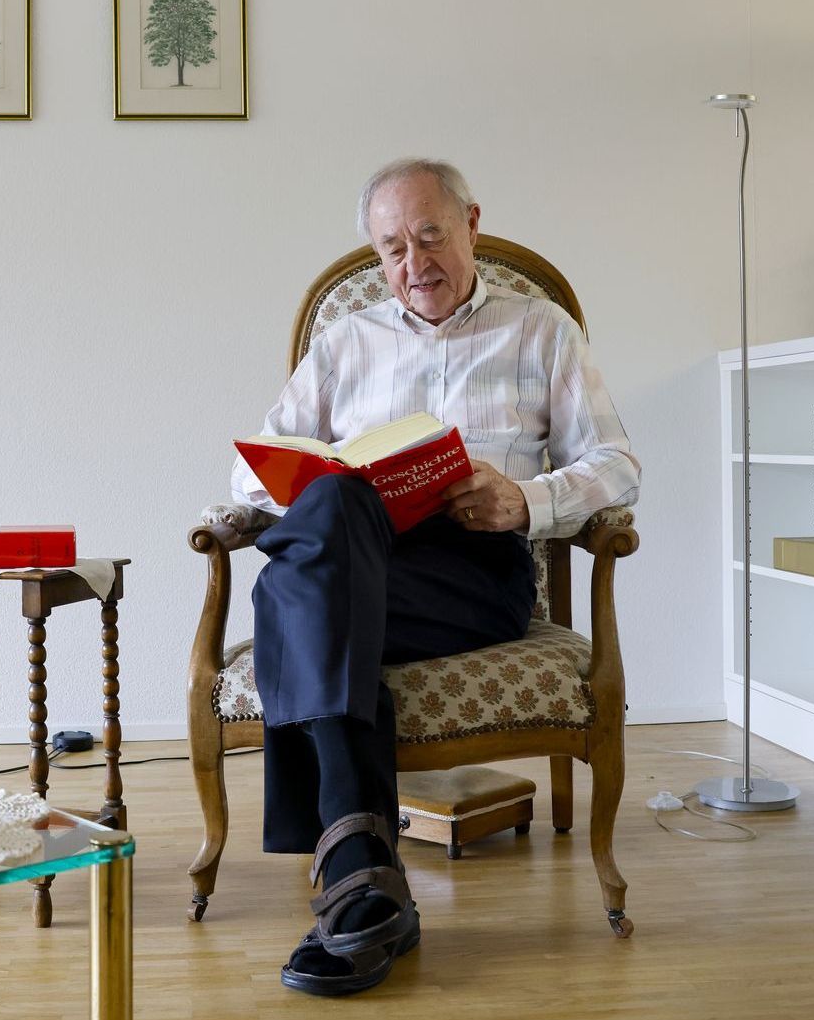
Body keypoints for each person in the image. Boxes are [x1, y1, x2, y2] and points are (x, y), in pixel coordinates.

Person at [224, 157, 641, 996]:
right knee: (336, 514)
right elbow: (248, 479)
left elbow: (618, 465)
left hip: (474, 571)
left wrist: (523, 498)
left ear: (471, 222)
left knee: (287, 596)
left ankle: (349, 868)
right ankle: (367, 881)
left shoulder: (541, 328)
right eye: (390, 248)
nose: (412, 263)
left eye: (428, 236)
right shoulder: (345, 344)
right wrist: (327, 476)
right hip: (363, 559)